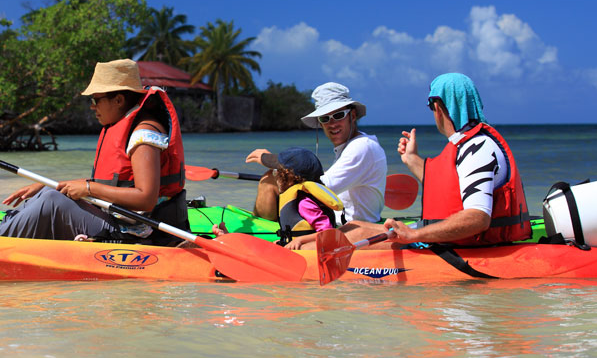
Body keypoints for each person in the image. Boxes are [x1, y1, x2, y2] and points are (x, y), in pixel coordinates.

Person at [0, 59, 188, 246]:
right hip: (119, 223)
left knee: (52, 202)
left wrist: (88, 189)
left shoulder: (144, 134)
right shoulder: (126, 124)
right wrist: (51, 185)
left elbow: (146, 198)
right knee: (49, 192)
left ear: (118, 100)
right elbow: (115, 183)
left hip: (139, 234)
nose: (93, 107)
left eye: (96, 99)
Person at [353, 73, 532, 247]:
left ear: (438, 108)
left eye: (431, 107)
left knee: (353, 234)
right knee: (354, 227)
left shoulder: (478, 148)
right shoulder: (468, 145)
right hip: (448, 242)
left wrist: (414, 235)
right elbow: (446, 188)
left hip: (466, 248)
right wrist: (411, 158)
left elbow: (478, 218)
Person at [248, 82, 387, 225]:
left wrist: (276, 163)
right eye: (325, 118)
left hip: (347, 229)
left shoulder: (362, 147)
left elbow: (319, 189)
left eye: (338, 115)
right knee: (279, 176)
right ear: (320, 123)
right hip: (338, 222)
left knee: (269, 179)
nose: (332, 124)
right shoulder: (356, 146)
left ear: (352, 116)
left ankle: (262, 229)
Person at [213, 147, 343, 250]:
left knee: (262, 252)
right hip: (294, 244)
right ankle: (230, 239)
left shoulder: (304, 203)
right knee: (268, 245)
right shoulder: (298, 199)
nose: (275, 178)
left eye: (277, 173)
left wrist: (299, 240)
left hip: (305, 249)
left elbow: (328, 233)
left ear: (288, 178)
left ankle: (230, 243)